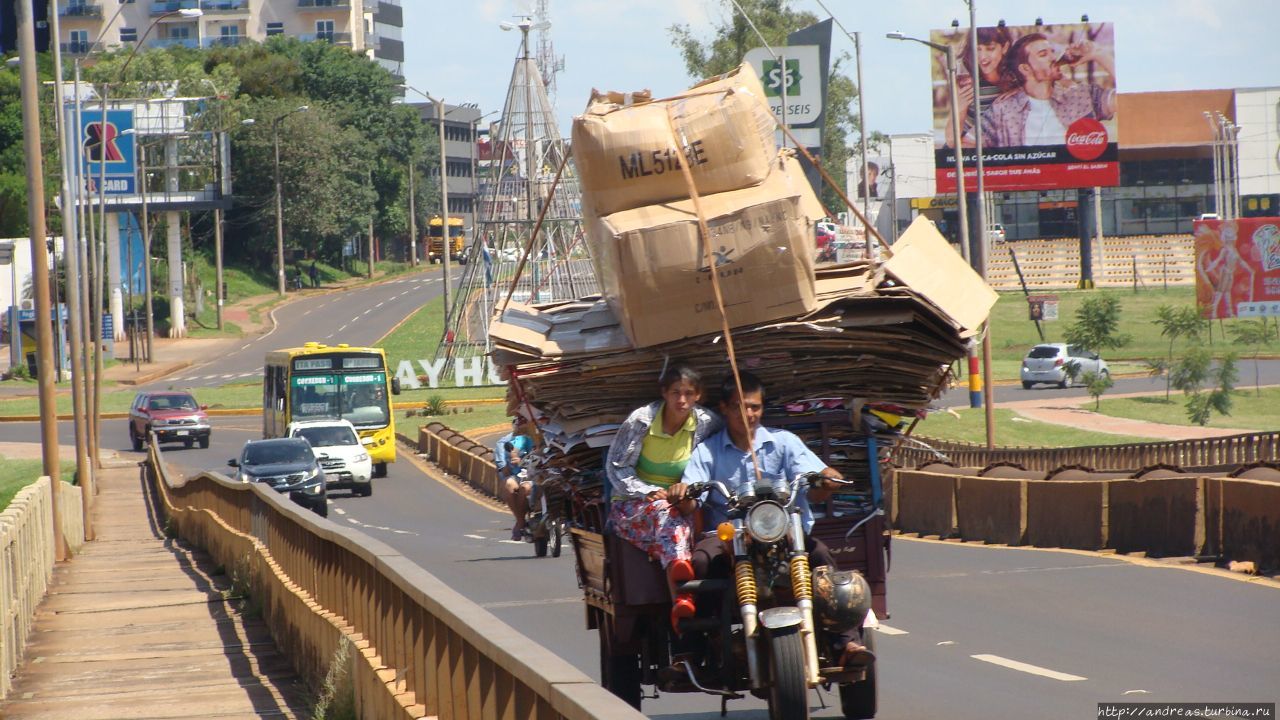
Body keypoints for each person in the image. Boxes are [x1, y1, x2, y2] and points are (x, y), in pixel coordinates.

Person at [682, 372, 874, 668]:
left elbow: (817, 483)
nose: (748, 414)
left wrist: (828, 479)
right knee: (702, 564)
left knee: (821, 557)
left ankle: (846, 642)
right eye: (739, 407)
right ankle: (698, 651)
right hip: (729, 539)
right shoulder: (707, 451)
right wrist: (682, 493)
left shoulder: (785, 443)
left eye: (755, 407)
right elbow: (691, 496)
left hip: (784, 535)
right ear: (723, 408)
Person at [606, 365, 721, 630]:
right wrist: (646, 490)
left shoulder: (705, 423)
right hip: (632, 505)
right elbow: (616, 466)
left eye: (689, 393)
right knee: (665, 513)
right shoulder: (642, 420)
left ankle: (685, 584)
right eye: (675, 393)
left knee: (679, 521)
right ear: (664, 394)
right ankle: (681, 594)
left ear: (698, 396)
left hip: (682, 506)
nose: (682, 400)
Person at [976, 32, 1116, 148]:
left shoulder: (1082, 95)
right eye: (1043, 54)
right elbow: (968, 146)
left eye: (1052, 52)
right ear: (1025, 69)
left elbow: (1130, 100)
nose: (1053, 58)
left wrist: (1099, 54)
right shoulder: (1003, 110)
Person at [946, 24, 1014, 148]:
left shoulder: (1016, 77)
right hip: (969, 151)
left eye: (990, 48)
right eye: (977, 49)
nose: (983, 57)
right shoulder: (966, 81)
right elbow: (951, 141)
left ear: (1005, 47)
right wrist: (960, 107)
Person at [494, 419, 536, 541]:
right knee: (509, 485)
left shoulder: (540, 437)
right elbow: (504, 469)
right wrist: (514, 459)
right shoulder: (509, 441)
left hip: (537, 475)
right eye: (519, 423)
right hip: (518, 475)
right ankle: (520, 521)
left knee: (526, 488)